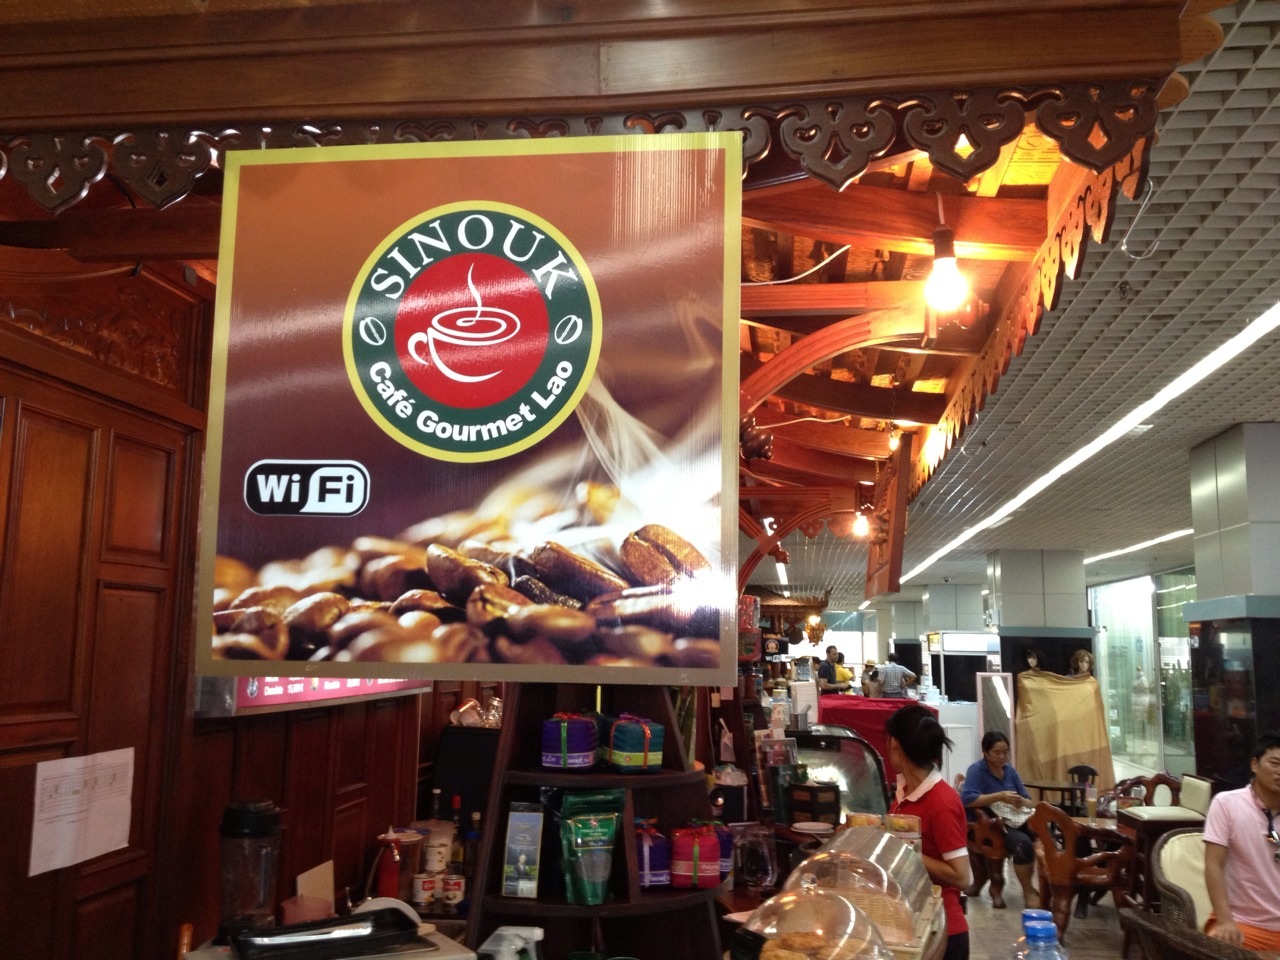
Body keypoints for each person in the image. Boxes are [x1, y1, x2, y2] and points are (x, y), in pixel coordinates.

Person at [885, 704, 971, 960]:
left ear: (895, 745)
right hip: (913, 925)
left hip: (942, 933)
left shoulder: (941, 802)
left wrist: (906, 853)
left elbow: (963, 876)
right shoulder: (905, 792)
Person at [1204, 731, 1280, 951]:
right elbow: (1213, 865)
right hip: (1242, 924)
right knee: (1218, 947)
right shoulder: (1227, 804)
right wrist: (1225, 921)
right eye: (1275, 763)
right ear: (1255, 764)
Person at [960, 731, 1038, 909]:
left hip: (1016, 818)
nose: (1002, 757)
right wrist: (999, 796)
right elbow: (968, 799)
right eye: (997, 753)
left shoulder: (1010, 771)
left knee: (1046, 836)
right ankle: (1028, 890)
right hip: (992, 824)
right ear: (985, 753)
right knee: (1022, 844)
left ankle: (1049, 887)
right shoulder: (976, 770)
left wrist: (1019, 801)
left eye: (1005, 752)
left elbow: (1028, 801)